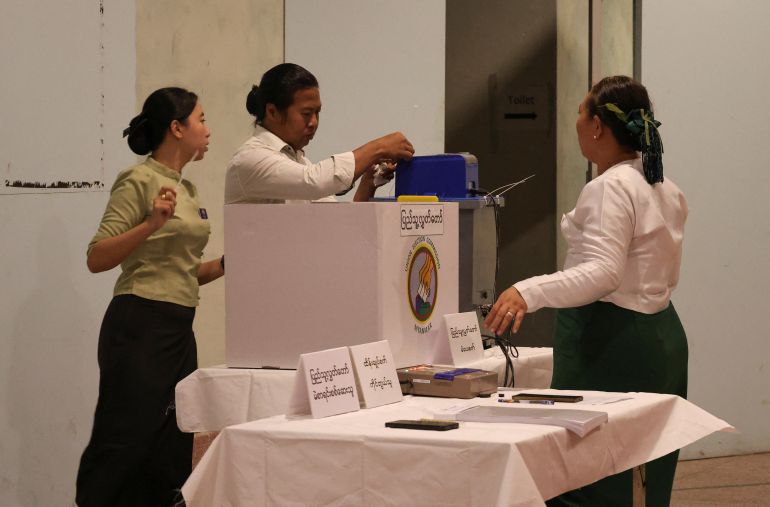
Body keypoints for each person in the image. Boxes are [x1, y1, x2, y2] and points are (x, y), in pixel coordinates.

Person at [484, 76, 688, 507]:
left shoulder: (610, 187)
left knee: (592, 473)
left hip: (612, 340)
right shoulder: (666, 188)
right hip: (663, 337)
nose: (575, 122)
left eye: (580, 112)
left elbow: (602, 273)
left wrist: (527, 291)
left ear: (596, 126)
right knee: (648, 467)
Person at [76, 87, 224, 506]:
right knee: (124, 440)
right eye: (202, 119)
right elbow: (96, 257)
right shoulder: (138, 180)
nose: (208, 129)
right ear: (176, 128)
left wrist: (230, 264)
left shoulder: (188, 190)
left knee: (170, 446)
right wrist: (150, 225)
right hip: (139, 324)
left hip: (178, 327)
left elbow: (182, 272)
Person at [225, 63, 415, 204]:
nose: (314, 123)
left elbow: (338, 224)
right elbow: (313, 182)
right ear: (273, 112)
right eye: (306, 114)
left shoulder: (299, 161)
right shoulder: (250, 159)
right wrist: (378, 148)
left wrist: (368, 184)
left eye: (318, 113)